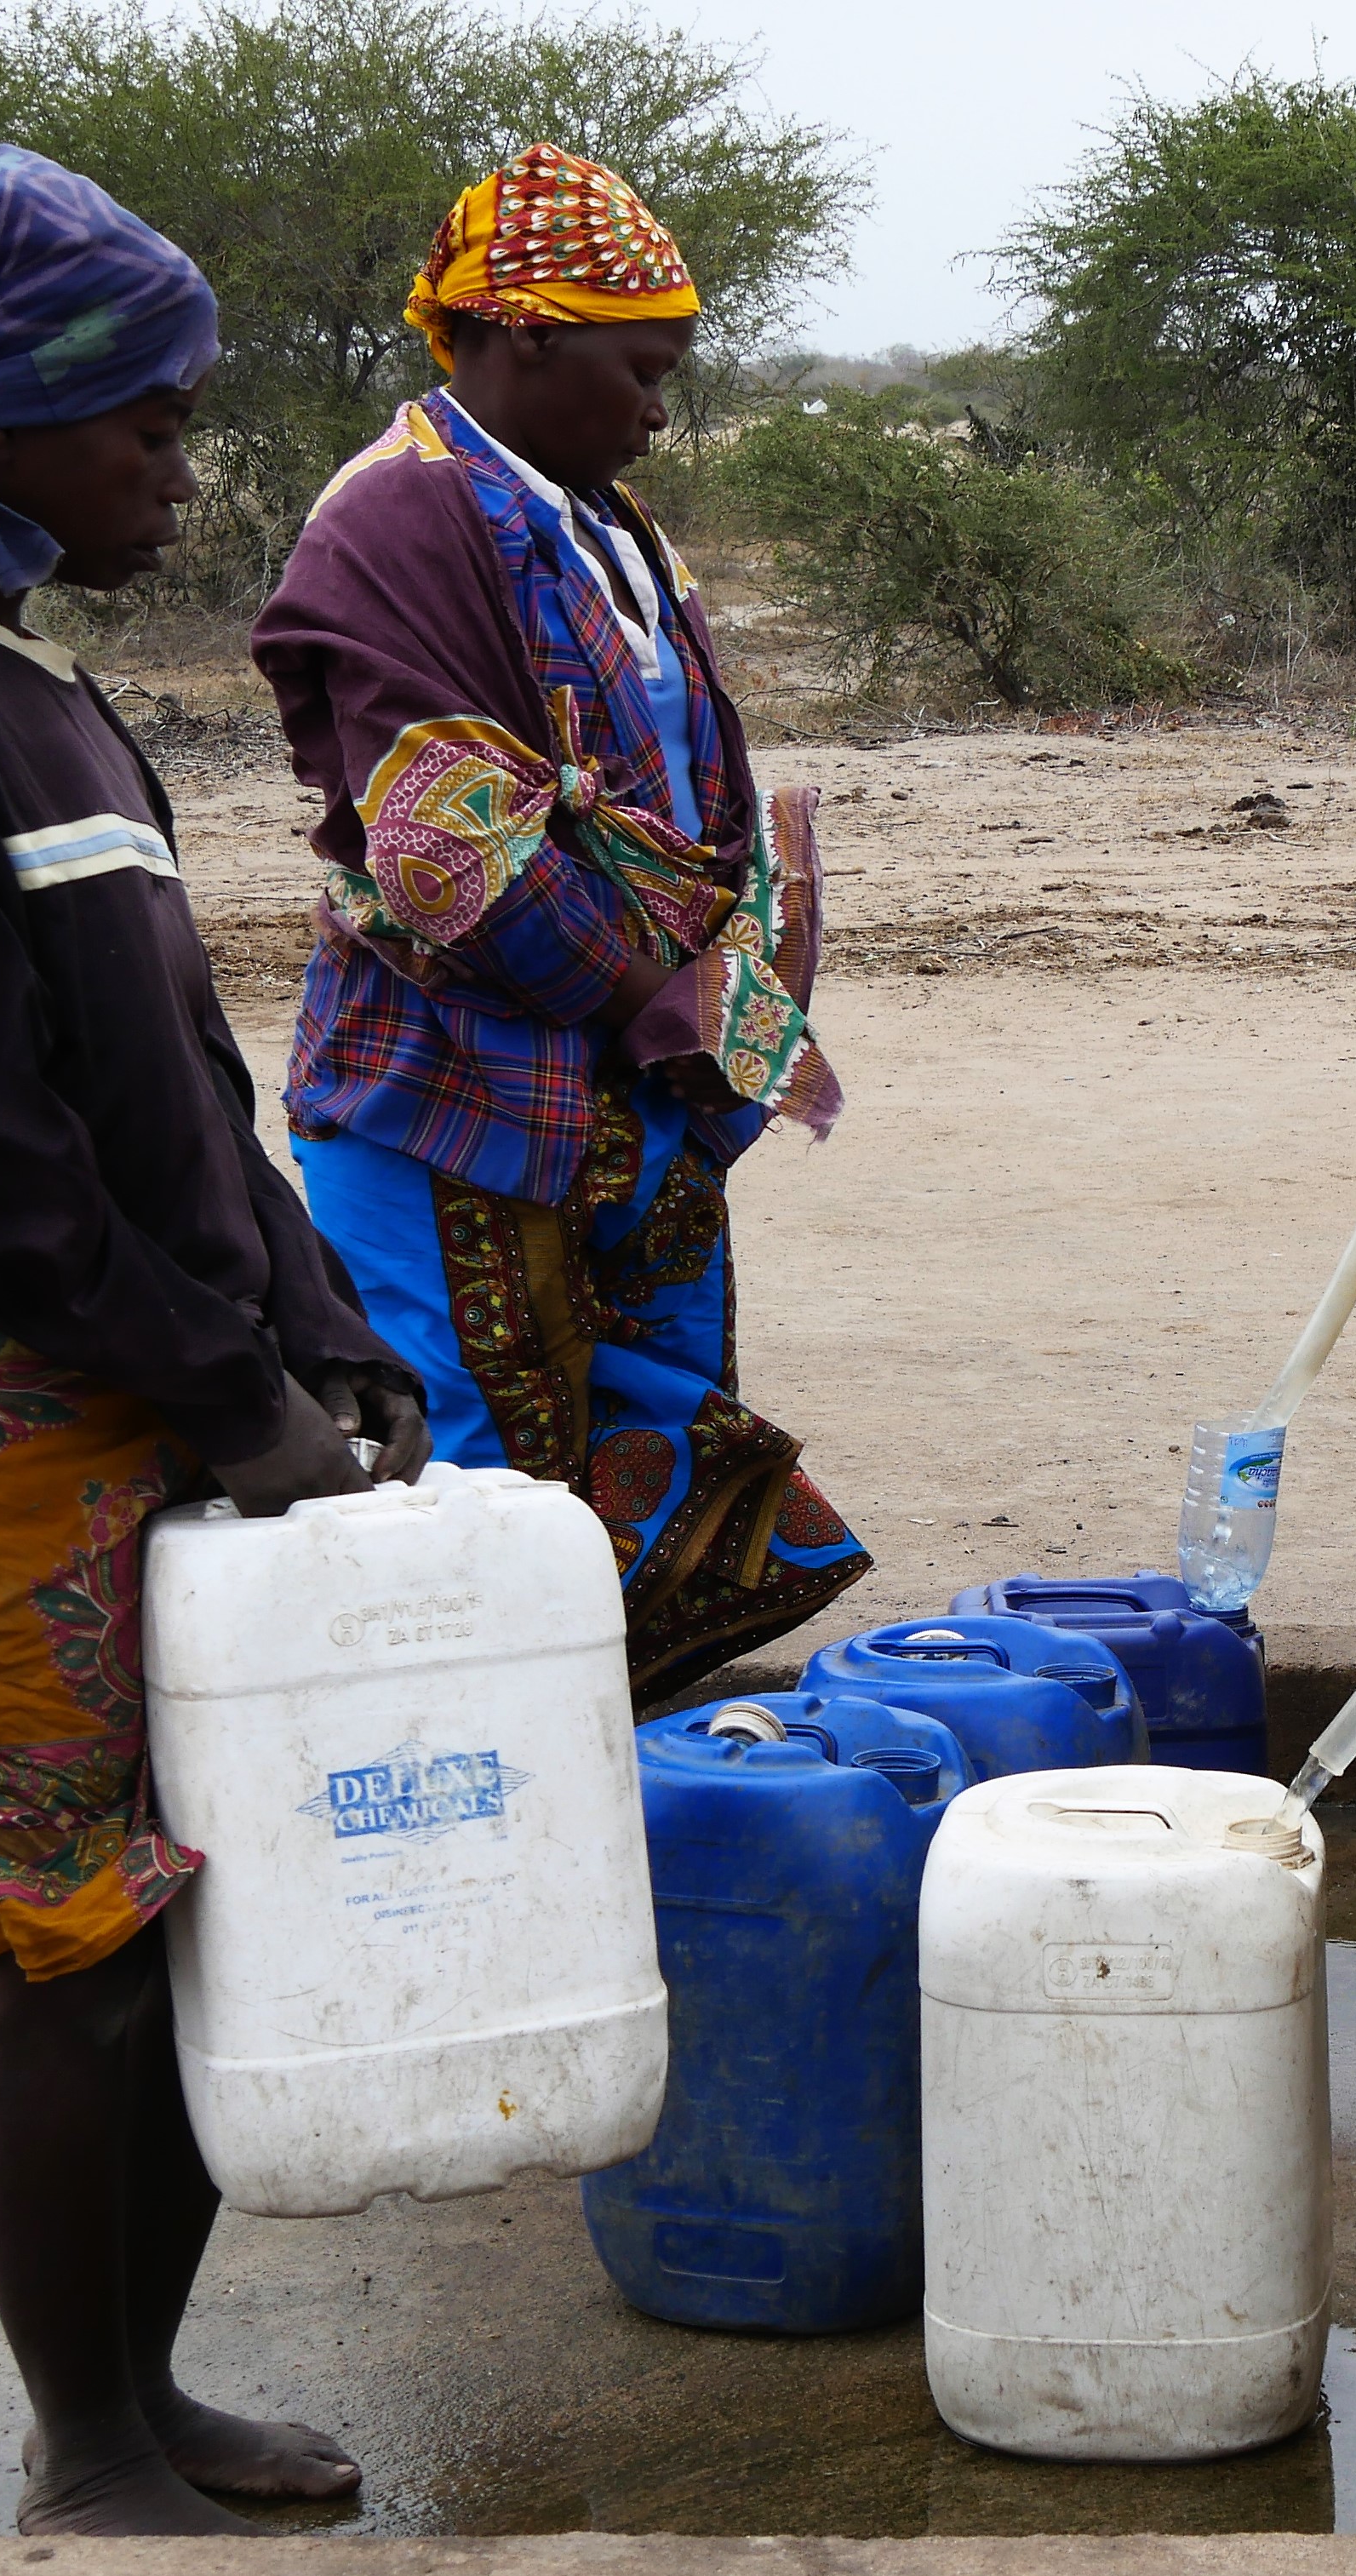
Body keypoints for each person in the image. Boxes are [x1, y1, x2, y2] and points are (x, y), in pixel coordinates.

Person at [0, 147, 428, 2535]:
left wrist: (318, 1323)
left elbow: (175, 1078)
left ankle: (143, 2399)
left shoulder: (28, 685)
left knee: (191, 1910)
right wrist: (225, 1386)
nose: (177, 465)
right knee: (74, 1942)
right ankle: (89, 2451)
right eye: (148, 417)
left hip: (106, 1362)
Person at [252, 145, 868, 1709]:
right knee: (471, 1492)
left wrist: (706, 985)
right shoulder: (396, 520)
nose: (658, 411)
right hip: (454, 1083)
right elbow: (444, 843)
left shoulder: (602, 517)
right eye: (640, 372)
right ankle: (484, 1790)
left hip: (622, 1080)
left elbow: (673, 781)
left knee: (640, 1434)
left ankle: (617, 1778)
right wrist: (671, 996)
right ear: (524, 337)